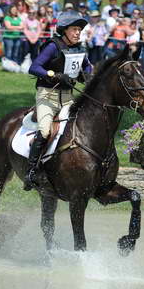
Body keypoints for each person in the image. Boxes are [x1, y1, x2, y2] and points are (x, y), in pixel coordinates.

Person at [25, 11, 92, 189]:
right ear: (64, 30)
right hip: (48, 96)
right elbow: (34, 67)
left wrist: (87, 76)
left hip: (68, 98)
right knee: (46, 131)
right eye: (74, 29)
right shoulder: (53, 47)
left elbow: (87, 68)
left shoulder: (79, 48)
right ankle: (31, 171)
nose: (78, 33)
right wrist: (54, 75)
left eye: (79, 29)